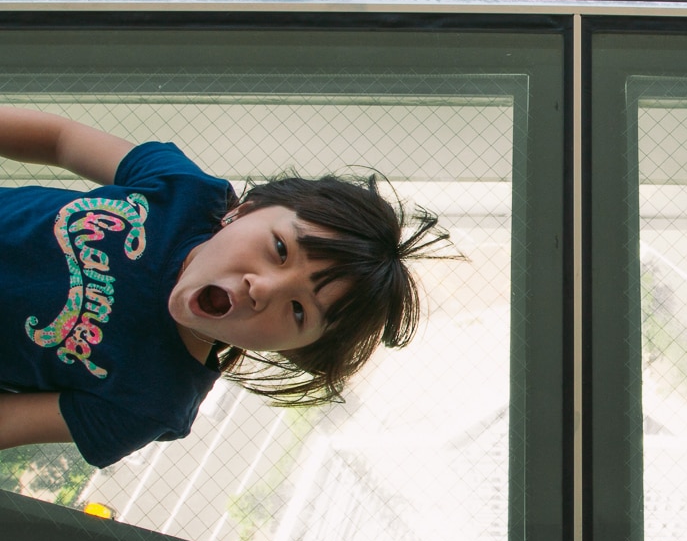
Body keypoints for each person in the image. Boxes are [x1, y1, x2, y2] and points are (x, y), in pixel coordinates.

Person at [0, 106, 448, 468]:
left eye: (299, 312)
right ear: (243, 211)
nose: (264, 288)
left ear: (292, 350)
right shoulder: (183, 191)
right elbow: (60, 139)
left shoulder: (150, 403)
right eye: (279, 248)